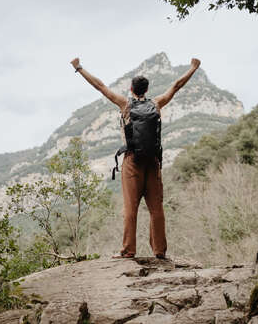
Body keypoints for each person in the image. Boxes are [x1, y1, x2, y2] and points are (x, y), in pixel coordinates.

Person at [70, 57, 201, 258]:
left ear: (131, 90)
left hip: (132, 162)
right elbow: (176, 85)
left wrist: (79, 68)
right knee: (156, 209)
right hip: (153, 163)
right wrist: (193, 67)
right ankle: (159, 251)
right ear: (147, 90)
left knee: (131, 209)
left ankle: (128, 250)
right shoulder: (157, 104)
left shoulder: (125, 105)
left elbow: (100, 86)